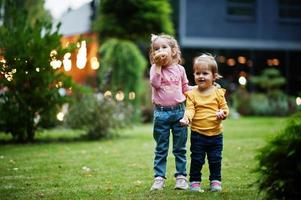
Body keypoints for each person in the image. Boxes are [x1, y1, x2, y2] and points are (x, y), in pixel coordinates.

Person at [180, 53, 229, 192]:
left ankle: (215, 181)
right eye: (197, 73)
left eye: (205, 73)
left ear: (214, 76)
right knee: (197, 159)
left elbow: (225, 109)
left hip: (216, 135)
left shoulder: (218, 93)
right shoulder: (192, 93)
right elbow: (190, 109)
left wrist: (222, 114)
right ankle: (195, 182)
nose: (201, 76)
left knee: (215, 159)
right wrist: (186, 118)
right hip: (198, 134)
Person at [149, 33, 190, 191]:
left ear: (173, 51)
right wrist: (158, 66)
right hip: (161, 114)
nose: (160, 50)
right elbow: (155, 84)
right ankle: (159, 178)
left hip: (179, 112)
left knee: (180, 148)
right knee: (161, 148)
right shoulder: (155, 68)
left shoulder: (180, 69)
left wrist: (203, 88)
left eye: (164, 47)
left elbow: (186, 89)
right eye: (156, 49)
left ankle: (181, 177)